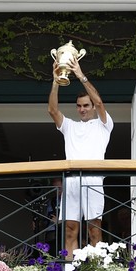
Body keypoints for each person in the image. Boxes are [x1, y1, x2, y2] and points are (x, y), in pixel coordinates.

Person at [47, 60, 113, 251]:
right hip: (71, 181)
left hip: (93, 179)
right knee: (69, 230)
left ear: (92, 106)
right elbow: (52, 110)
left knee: (94, 231)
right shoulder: (70, 126)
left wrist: (80, 75)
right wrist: (55, 81)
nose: (82, 109)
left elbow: (99, 102)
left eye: (86, 105)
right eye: (79, 106)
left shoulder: (104, 124)